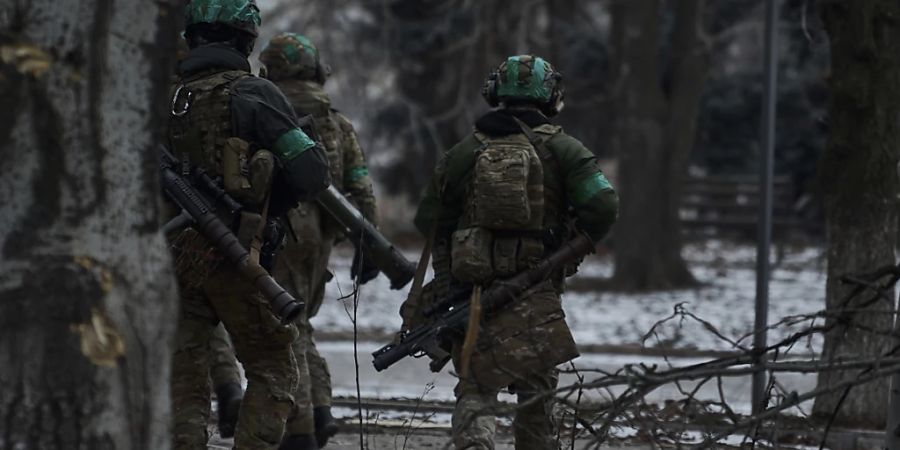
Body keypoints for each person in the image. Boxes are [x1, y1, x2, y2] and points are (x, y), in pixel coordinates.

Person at [409, 55, 618, 449]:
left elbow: (429, 220)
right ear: (551, 96)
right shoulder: (566, 150)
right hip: (537, 291)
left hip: (472, 295)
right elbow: (605, 205)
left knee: (475, 389)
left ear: (494, 94)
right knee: (537, 395)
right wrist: (570, 242)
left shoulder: (464, 151)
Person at [167, 1, 331, 449]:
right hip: (238, 256)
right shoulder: (255, 94)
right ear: (246, 39)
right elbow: (313, 173)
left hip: (172, 261)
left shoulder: (166, 98)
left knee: (183, 376)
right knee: (275, 368)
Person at [259, 33, 378, 449]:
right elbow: (361, 186)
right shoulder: (337, 121)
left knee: (286, 328)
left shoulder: (266, 108)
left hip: (282, 227)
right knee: (301, 323)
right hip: (324, 234)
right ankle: (322, 410)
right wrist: (370, 243)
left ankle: (302, 428)